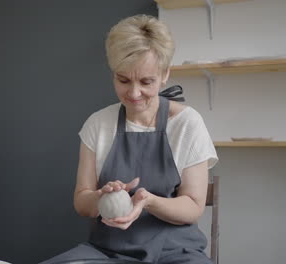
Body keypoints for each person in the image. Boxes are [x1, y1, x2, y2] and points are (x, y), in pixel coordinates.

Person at [41, 15, 218, 264]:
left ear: (165, 74)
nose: (134, 93)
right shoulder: (98, 124)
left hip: (175, 253)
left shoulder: (187, 125)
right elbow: (82, 202)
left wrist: (147, 201)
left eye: (146, 81)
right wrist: (101, 196)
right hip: (106, 252)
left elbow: (193, 208)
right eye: (123, 80)